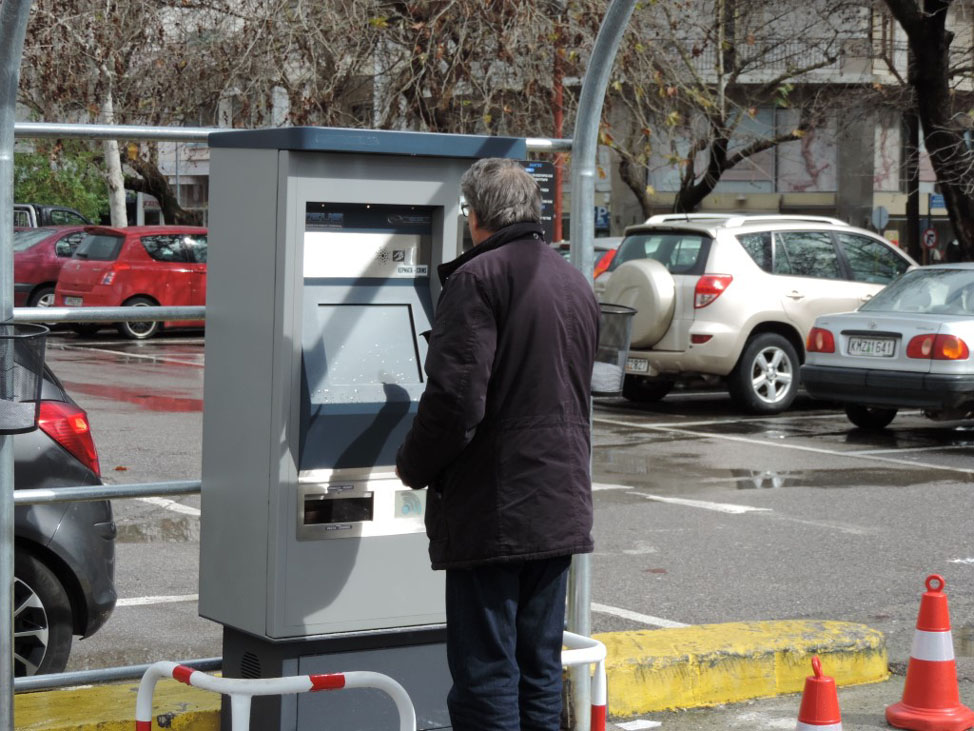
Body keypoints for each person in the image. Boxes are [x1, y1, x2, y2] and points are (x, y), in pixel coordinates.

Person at [396, 157, 600, 731]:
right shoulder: (572, 281)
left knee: (485, 673)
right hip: (558, 503)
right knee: (539, 667)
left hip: (494, 508)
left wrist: (412, 465)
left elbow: (457, 401)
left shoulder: (476, 280)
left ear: (476, 215)